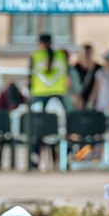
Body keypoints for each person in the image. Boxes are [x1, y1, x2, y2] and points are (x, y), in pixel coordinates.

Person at [28, 32, 72, 167]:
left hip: (39, 95)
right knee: (61, 128)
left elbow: (29, 76)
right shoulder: (61, 56)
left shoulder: (35, 56)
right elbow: (67, 75)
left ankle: (34, 158)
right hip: (58, 95)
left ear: (40, 43)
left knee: (37, 129)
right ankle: (66, 157)